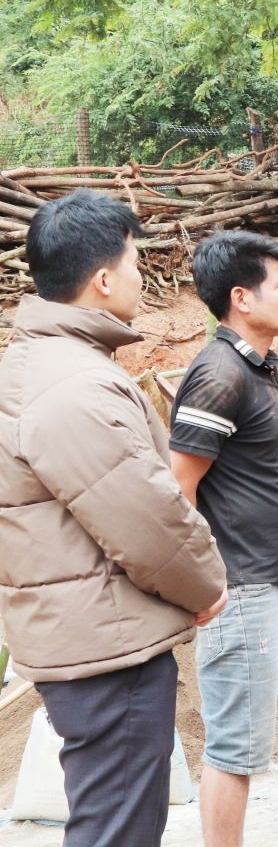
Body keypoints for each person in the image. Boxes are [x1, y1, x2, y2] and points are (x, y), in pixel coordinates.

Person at [0, 189, 227, 847]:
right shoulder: (74, 383)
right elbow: (146, 520)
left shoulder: (37, 363)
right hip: (108, 648)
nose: (140, 275)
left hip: (84, 634)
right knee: (118, 828)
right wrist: (205, 586)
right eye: (133, 261)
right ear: (102, 279)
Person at [169, 231, 278, 847]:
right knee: (234, 749)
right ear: (242, 298)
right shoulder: (221, 373)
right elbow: (178, 489)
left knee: (240, 746)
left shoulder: (254, 365)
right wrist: (203, 583)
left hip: (256, 579)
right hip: (236, 587)